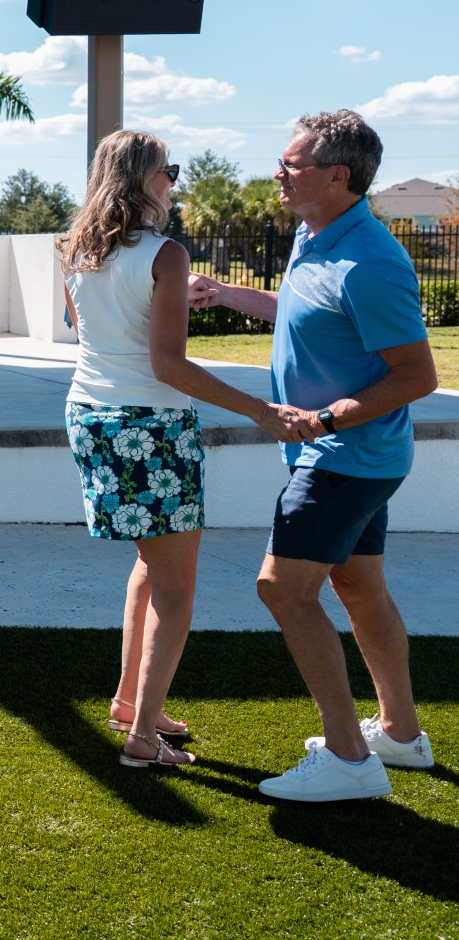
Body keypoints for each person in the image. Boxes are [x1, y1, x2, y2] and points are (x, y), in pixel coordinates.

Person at [191, 110, 439, 801]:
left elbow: (418, 375)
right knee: (358, 586)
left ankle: (350, 758)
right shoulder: (316, 233)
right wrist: (229, 294)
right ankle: (400, 731)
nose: (278, 172)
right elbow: (304, 308)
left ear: (339, 174)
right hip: (350, 454)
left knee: (282, 587)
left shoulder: (371, 261)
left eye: (291, 163)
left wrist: (325, 417)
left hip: (345, 453)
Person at [58, 131, 298, 770]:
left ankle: (131, 704)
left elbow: (96, 332)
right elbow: (167, 365)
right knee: (177, 584)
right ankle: (142, 740)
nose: (174, 182)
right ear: (144, 180)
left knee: (150, 564)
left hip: (92, 417)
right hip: (151, 426)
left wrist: (172, 296)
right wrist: (260, 409)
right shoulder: (167, 253)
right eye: (170, 171)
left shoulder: (76, 250)